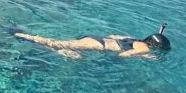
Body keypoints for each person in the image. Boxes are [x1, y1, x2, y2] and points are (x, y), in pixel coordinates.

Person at [15, 24, 170, 59]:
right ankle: (23, 36)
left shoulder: (135, 39)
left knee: (73, 54)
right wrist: (144, 56)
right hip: (96, 45)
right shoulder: (145, 49)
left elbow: (114, 35)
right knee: (56, 44)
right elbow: (124, 55)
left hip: (98, 39)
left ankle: (27, 38)